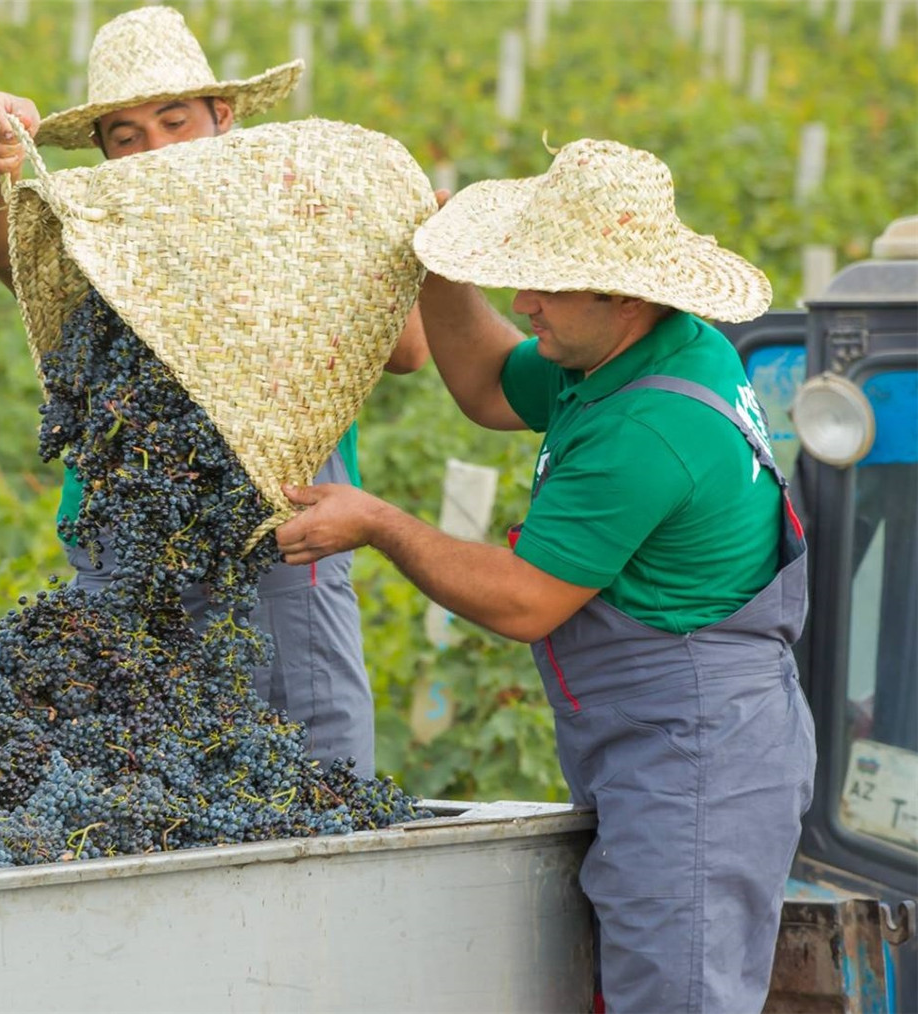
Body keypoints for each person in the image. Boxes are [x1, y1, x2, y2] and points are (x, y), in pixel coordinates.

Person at [272, 139, 815, 1012]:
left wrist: (378, 522)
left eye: (545, 286)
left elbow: (525, 600)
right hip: (660, 732)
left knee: (677, 996)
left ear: (626, 292)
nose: (522, 304)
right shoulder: (626, 352)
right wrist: (440, 268)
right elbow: (489, 386)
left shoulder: (648, 427)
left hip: (697, 751)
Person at [0, 5, 428, 777]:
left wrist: (358, 234)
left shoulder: (293, 216)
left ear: (224, 119)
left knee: (313, 779)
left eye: (175, 123)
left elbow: (405, 350)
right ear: (104, 153)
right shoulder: (90, 231)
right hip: (124, 543)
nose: (155, 150)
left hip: (282, 535)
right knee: (141, 786)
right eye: (127, 137)